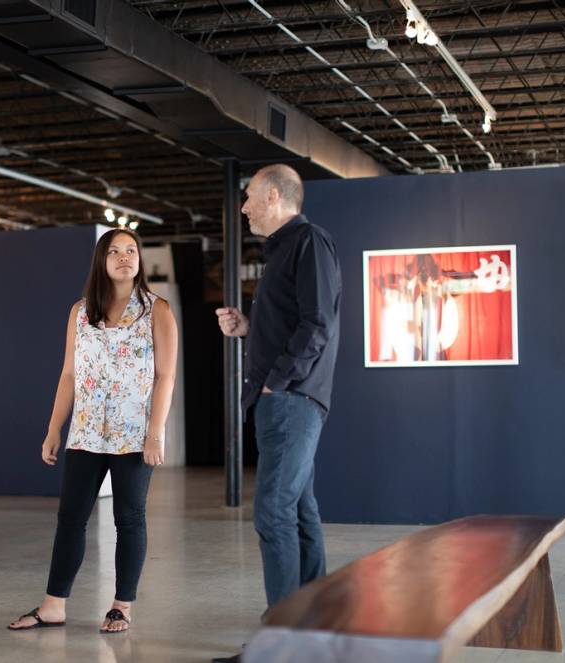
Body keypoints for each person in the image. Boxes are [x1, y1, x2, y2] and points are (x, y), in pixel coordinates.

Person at [7, 228, 178, 634]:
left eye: (131, 250)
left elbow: (166, 376)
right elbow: (68, 373)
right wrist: (54, 429)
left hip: (134, 434)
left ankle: (121, 606)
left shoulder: (158, 310)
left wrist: (156, 431)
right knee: (71, 517)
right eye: (115, 251)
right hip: (86, 432)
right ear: (102, 260)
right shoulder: (80, 312)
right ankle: (53, 605)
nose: (124, 257)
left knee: (129, 518)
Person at [214, 164, 342, 662]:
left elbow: (318, 322)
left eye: (248, 198)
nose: (243, 208)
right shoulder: (286, 250)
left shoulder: (309, 241)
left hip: (289, 400)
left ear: (272, 196)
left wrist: (277, 379)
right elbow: (297, 320)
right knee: (299, 512)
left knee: (273, 511)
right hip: (286, 399)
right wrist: (248, 327)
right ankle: (310, 632)